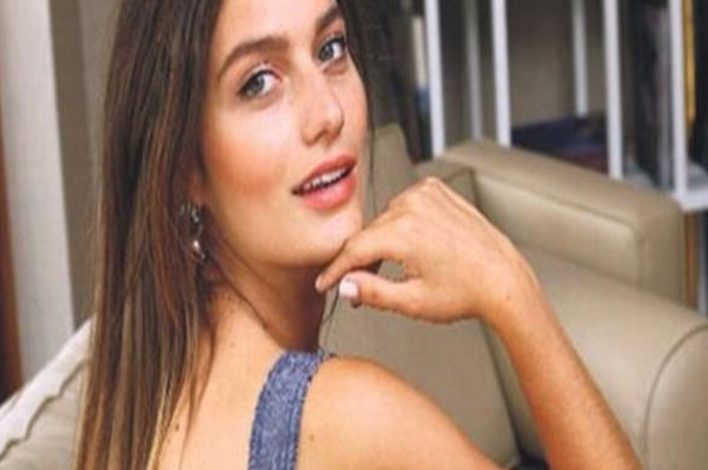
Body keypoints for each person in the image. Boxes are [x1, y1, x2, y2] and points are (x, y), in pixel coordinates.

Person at [74, 0, 641, 469]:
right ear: (183, 166)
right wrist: (514, 293)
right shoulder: (347, 418)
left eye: (331, 49)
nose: (328, 113)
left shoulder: (140, 406)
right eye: (259, 82)